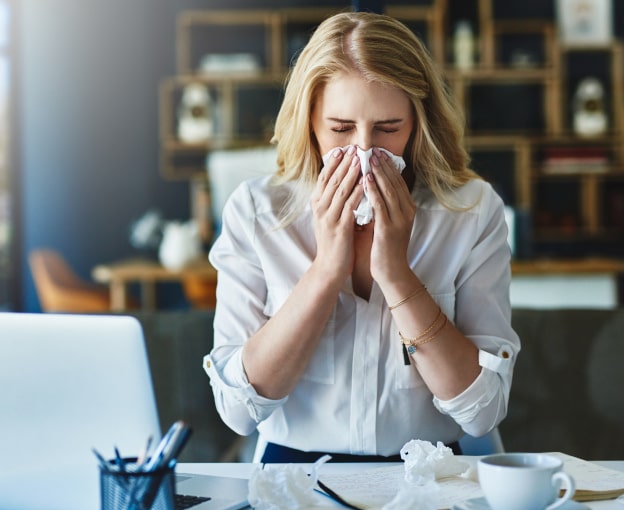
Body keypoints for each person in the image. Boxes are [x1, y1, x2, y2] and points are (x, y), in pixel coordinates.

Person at [202, 11, 520, 463]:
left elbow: (482, 412)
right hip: (293, 476)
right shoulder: (257, 211)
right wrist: (327, 270)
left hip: (428, 474)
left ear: (417, 124)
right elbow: (237, 410)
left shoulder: (470, 211)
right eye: (341, 129)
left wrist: (396, 275)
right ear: (309, 120)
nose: (366, 153)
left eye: (389, 129)